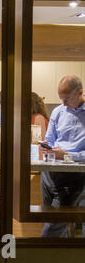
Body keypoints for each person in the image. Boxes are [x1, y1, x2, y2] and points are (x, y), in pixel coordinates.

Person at [39, 75, 85, 238]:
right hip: (49, 173)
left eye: (66, 99)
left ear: (80, 93)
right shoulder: (58, 111)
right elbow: (50, 138)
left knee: (53, 226)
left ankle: (39, 257)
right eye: (61, 99)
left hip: (74, 176)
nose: (63, 103)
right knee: (49, 217)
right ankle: (59, 259)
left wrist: (67, 155)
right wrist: (46, 146)